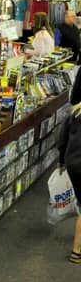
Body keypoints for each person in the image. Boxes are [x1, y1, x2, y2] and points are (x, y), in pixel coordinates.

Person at [58, 103, 81, 263]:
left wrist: (61, 162)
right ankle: (76, 251)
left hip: (72, 163)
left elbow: (62, 139)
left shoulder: (75, 112)